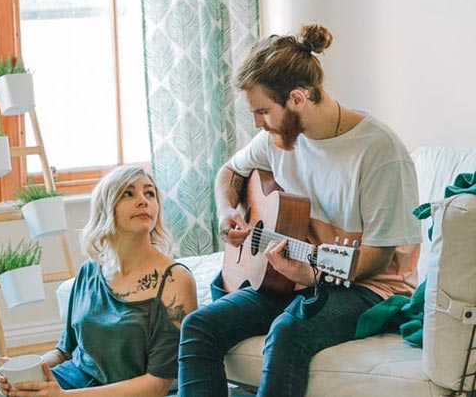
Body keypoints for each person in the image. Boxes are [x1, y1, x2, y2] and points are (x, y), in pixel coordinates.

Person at [178, 24, 422, 397]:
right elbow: (229, 172)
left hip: (370, 288)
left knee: (288, 331)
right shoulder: (278, 139)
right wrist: (227, 209)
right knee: (198, 327)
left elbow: (375, 258)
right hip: (295, 274)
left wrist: (311, 275)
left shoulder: (379, 151)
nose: (256, 123)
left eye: (262, 111)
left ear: (297, 98)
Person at [0, 165, 197, 396]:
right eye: (128, 193)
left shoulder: (175, 281)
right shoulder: (89, 271)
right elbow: (64, 351)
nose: (143, 201)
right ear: (106, 207)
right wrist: (26, 373)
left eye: (149, 193)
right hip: (71, 381)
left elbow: (156, 385)